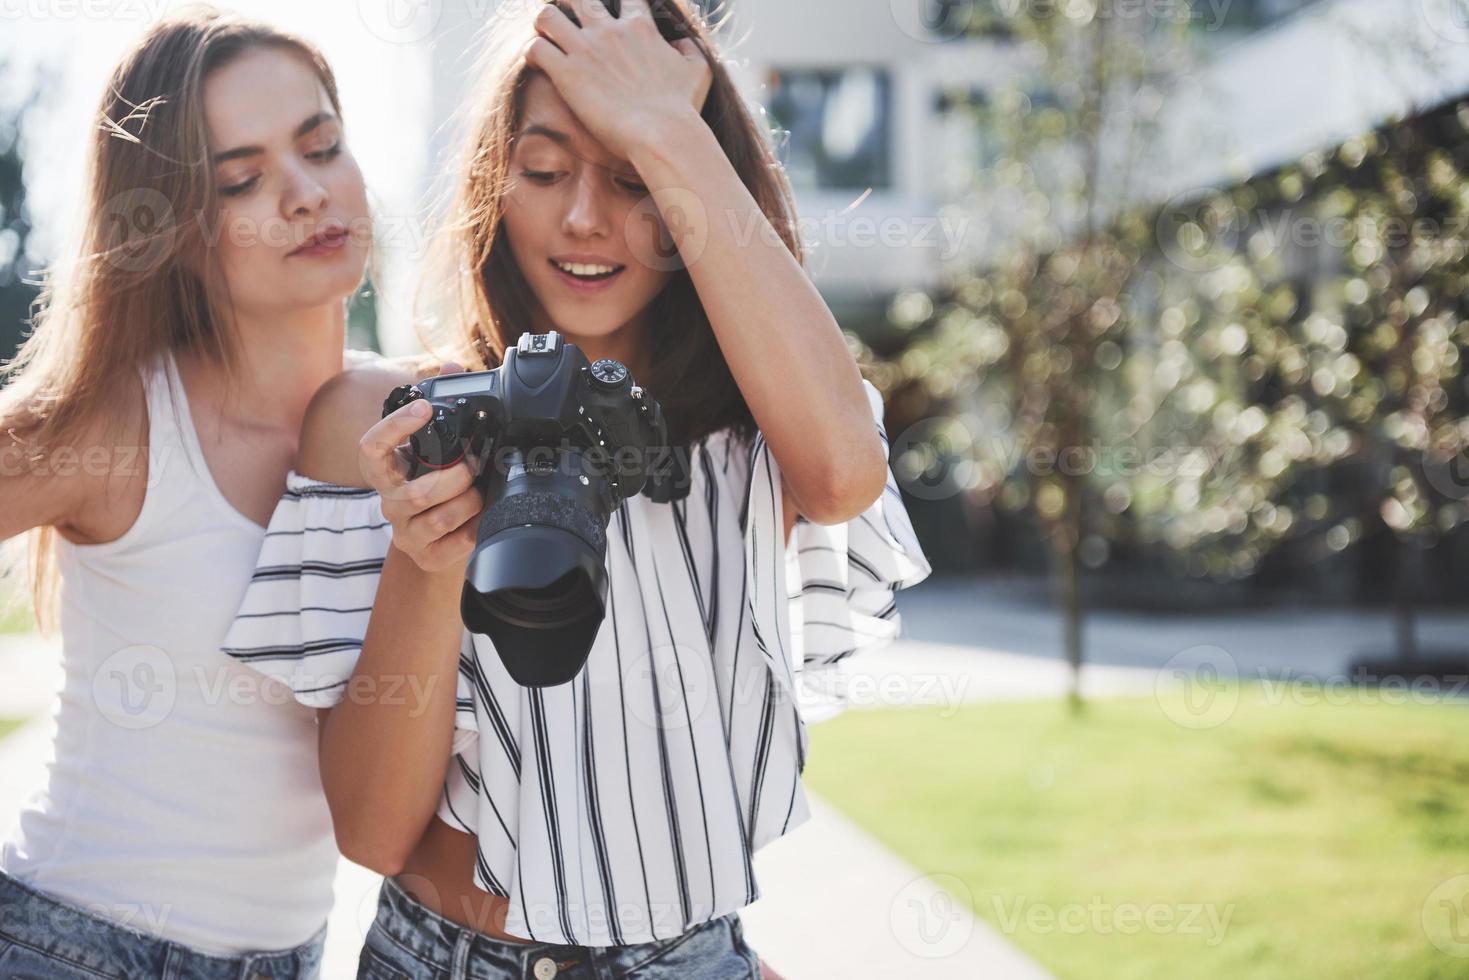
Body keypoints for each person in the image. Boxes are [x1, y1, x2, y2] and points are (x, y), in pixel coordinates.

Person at [221, 1, 933, 977]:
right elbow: (374, 831)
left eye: (636, 178)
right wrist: (427, 565)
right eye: (545, 171)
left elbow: (845, 476)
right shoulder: (390, 420)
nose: (584, 218)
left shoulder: (749, 434)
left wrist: (672, 121)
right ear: (491, 181)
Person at [0, 8, 386, 977]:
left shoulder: (411, 419)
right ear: (175, 229)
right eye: (242, 179)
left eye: (322, 145)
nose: (305, 194)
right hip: (72, 946)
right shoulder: (115, 423)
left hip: (293, 956)